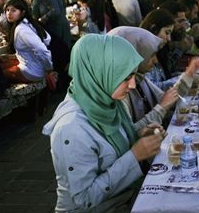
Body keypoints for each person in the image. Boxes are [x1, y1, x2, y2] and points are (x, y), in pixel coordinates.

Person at [43, 34, 163, 211]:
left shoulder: (105, 100)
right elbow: (84, 198)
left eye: (133, 76)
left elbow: (112, 139)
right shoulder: (71, 127)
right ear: (99, 72)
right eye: (125, 77)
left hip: (122, 200)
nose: (132, 85)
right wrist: (135, 155)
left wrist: (138, 133)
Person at [0, 0, 53, 83]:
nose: (9, 13)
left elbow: (42, 50)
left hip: (32, 71)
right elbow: (47, 38)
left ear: (23, 12)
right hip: (35, 66)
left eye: (14, 10)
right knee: (1, 62)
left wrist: (49, 68)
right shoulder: (28, 22)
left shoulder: (22, 29)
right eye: (7, 10)